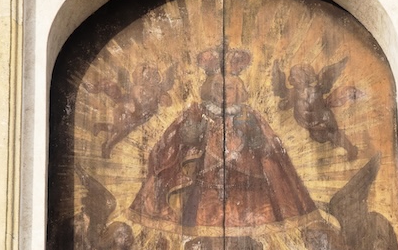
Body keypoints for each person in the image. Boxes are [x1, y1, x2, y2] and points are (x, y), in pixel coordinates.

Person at [130, 48, 316, 229]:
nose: (223, 92)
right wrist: (194, 123)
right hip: (206, 184)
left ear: (239, 91)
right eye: (218, 87)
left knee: (252, 222)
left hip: (248, 186)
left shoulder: (249, 114)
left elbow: (265, 149)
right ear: (210, 90)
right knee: (202, 221)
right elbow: (186, 141)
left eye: (230, 88)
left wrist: (251, 133)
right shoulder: (201, 111)